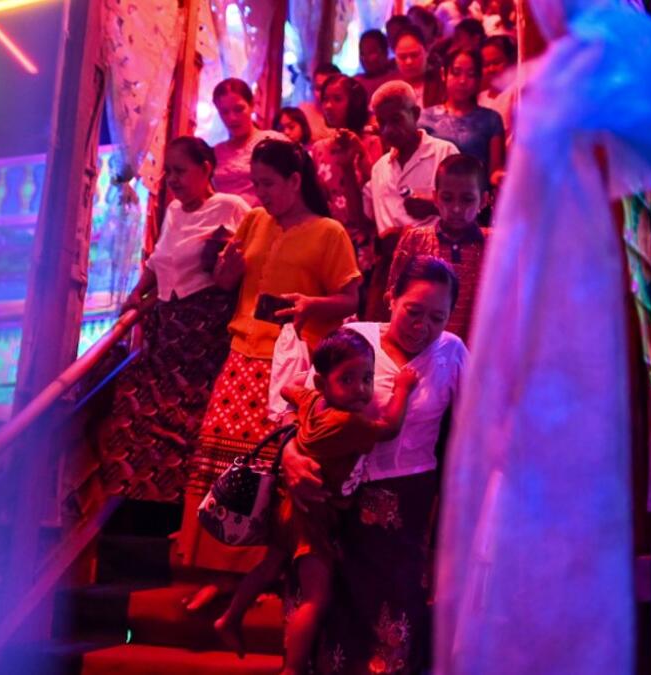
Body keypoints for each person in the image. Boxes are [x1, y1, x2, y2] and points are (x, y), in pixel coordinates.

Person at [179, 139, 362, 573]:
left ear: (296, 181)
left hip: (292, 363)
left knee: (266, 462)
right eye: (257, 184)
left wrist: (310, 305)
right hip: (242, 351)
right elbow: (227, 284)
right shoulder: (256, 221)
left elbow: (350, 298)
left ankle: (252, 570)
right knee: (217, 453)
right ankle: (206, 565)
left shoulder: (327, 232)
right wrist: (227, 268)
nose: (261, 193)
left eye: (269, 184)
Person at [280, 256, 469, 675]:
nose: (423, 326)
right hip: (331, 496)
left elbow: (479, 431)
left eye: (437, 317)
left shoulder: (451, 353)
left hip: (406, 505)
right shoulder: (353, 339)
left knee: (393, 609)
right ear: (390, 299)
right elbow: (302, 407)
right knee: (330, 603)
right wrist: (291, 456)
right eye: (413, 311)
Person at [214, 329, 421, 674]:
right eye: (348, 379)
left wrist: (307, 387)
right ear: (325, 384)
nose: (360, 388)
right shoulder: (347, 422)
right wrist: (402, 388)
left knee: (270, 565)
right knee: (316, 596)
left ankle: (231, 617)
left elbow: (288, 389)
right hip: (313, 519)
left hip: (287, 508)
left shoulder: (313, 403)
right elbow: (388, 427)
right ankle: (292, 669)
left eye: (367, 378)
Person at [99, 136, 249, 502]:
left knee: (184, 415)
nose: (173, 180)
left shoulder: (231, 207)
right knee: (133, 402)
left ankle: (179, 500)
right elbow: (159, 260)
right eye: (168, 172)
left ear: (206, 168)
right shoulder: (174, 211)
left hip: (203, 331)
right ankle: (135, 494)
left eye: (180, 171)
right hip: (166, 326)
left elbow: (248, 259)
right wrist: (138, 293)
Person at [362, 81, 458, 320]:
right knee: (380, 345)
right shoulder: (379, 168)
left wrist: (434, 204)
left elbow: (467, 210)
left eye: (396, 120)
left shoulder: (444, 153)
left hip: (431, 270)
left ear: (415, 114)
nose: (388, 130)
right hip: (387, 271)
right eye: (382, 123)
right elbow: (368, 220)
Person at [388, 155, 490, 345]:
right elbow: (394, 296)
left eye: (467, 200)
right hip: (421, 349)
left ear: (483, 200)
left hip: (478, 351)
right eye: (447, 198)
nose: (456, 208)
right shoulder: (415, 239)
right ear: (435, 197)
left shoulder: (494, 245)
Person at [310, 75, 385, 286]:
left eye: (337, 99)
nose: (328, 106)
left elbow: (376, 193)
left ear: (355, 102)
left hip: (365, 242)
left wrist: (359, 157)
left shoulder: (372, 143)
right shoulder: (319, 148)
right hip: (330, 240)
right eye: (325, 99)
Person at [419, 49, 506, 185]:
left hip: (476, 197)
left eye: (471, 74)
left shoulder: (491, 119)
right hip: (435, 195)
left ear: (479, 78)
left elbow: (495, 170)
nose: (463, 81)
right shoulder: (425, 118)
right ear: (444, 74)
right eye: (456, 73)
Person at [212, 78, 288, 206]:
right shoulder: (216, 152)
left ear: (252, 105)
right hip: (224, 222)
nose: (232, 118)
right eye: (224, 112)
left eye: (238, 109)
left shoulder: (273, 142)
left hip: (264, 220)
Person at [394, 27, 446, 108]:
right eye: (402, 57)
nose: (409, 62)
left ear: (426, 52)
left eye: (414, 55)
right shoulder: (391, 89)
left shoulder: (442, 81)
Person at [479, 35, 517, 144]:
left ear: (510, 61)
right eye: (486, 65)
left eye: (497, 62)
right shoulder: (479, 97)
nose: (491, 69)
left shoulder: (516, 93)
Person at [356, 29, 399, 98]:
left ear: (385, 53)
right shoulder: (355, 83)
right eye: (362, 53)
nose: (366, 58)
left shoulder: (397, 81)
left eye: (371, 53)